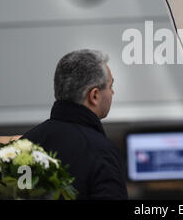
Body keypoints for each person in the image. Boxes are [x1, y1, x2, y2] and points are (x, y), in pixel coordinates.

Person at [22, 49, 128, 199]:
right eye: (110, 86)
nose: (112, 93)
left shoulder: (23, 146)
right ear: (94, 95)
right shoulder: (102, 152)